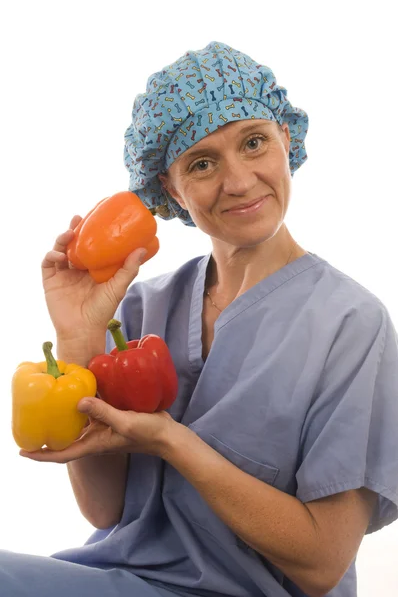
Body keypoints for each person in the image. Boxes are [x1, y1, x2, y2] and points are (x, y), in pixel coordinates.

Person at [2, 41, 398, 597]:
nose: (238, 182)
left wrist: (172, 441)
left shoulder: (350, 325)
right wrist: (78, 336)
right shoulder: (143, 308)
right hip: (121, 578)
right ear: (169, 189)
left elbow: (322, 563)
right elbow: (104, 509)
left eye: (254, 143)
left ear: (286, 138)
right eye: (202, 163)